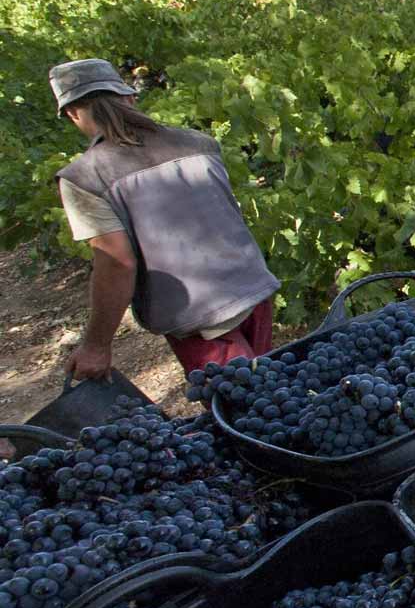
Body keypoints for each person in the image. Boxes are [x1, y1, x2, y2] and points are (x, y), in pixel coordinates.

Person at [49, 59, 280, 379]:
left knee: (249, 413)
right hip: (254, 292)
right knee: (276, 398)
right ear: (129, 98)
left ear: (73, 114)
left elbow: (117, 262)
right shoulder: (199, 143)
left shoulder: (84, 178)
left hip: (202, 321)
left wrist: (96, 345)